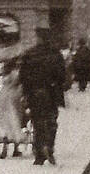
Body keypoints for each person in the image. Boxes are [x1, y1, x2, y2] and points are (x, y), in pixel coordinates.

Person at [20, 29, 66, 166]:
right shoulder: (55, 54)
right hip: (51, 93)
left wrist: (26, 93)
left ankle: (39, 154)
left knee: (37, 122)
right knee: (51, 121)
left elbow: (23, 76)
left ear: (38, 38)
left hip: (34, 94)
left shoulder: (29, 54)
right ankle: (49, 147)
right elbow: (62, 75)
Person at [0, 60, 27, 158]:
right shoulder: (16, 73)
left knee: (3, 122)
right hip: (14, 97)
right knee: (15, 120)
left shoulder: (1, 73)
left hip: (1, 97)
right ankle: (16, 148)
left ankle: (4, 144)